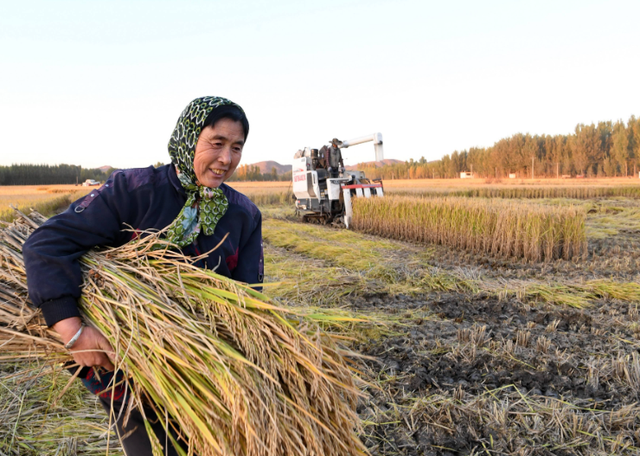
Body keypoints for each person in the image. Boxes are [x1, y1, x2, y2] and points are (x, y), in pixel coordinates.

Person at [23, 96, 263, 455]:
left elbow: (249, 299)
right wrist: (72, 331)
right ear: (188, 138)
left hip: (194, 365)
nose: (226, 159)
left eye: (236, 148)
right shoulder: (133, 191)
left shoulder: (243, 214)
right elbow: (46, 244)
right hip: (117, 354)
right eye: (216, 144)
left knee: (185, 442)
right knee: (134, 431)